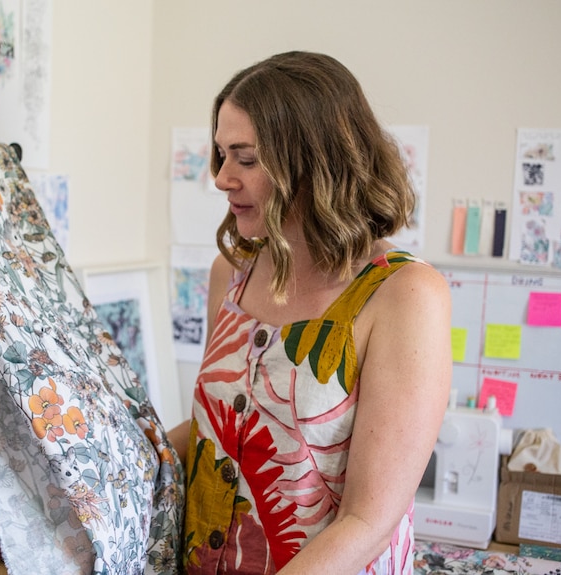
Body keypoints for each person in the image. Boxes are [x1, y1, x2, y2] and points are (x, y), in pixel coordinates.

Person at [167, 51, 453, 575]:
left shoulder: (404, 295)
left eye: (246, 159)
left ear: (316, 162)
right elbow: (223, 424)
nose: (223, 178)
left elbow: (368, 521)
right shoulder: (231, 273)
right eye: (221, 155)